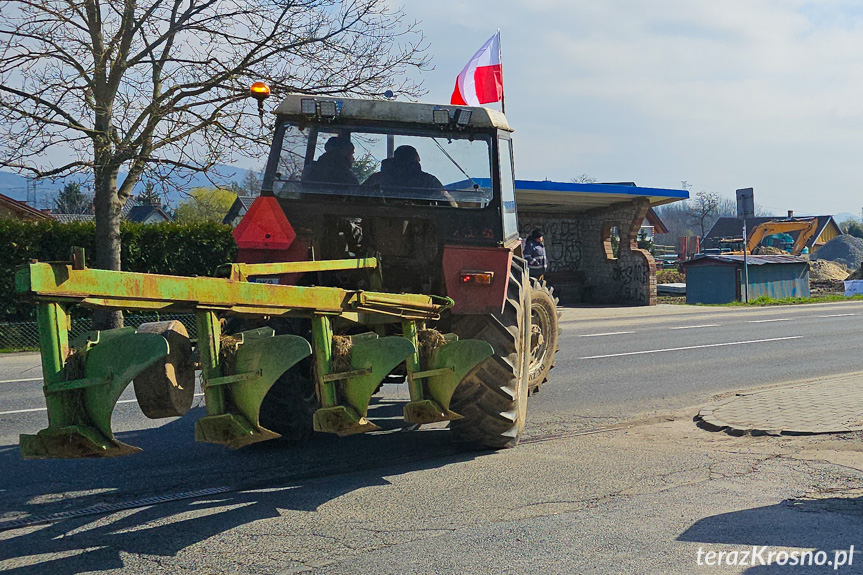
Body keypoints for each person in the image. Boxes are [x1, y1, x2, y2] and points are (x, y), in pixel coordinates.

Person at [362, 145, 456, 206]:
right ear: (416, 161)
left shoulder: (377, 179)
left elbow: (356, 198)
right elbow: (450, 205)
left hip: (377, 231)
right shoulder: (429, 181)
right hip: (420, 230)